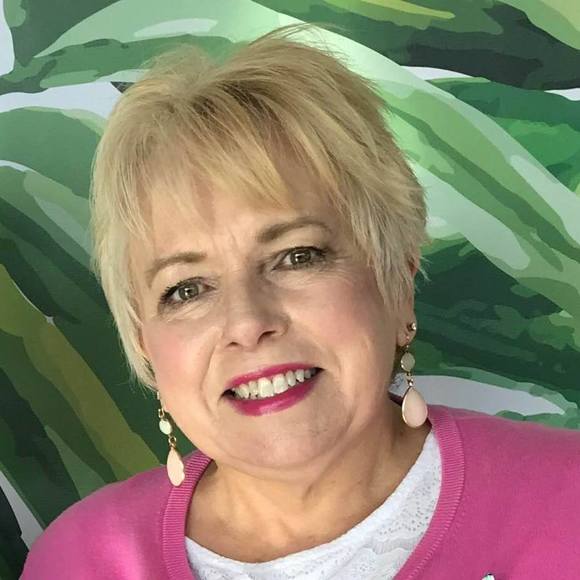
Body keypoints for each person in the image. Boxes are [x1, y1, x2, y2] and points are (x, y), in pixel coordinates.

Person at [22, 25, 580, 580]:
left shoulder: (567, 499)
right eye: (186, 289)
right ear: (145, 344)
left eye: (296, 256)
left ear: (398, 281)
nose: (247, 322)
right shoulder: (77, 563)